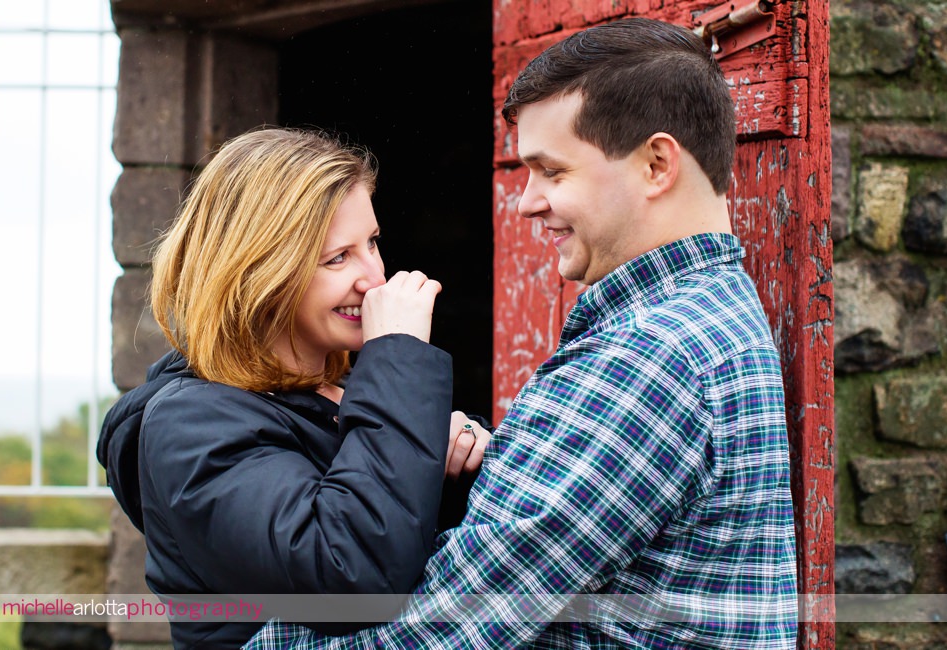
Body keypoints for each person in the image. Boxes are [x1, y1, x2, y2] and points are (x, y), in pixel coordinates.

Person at [245, 16, 798, 650]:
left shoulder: (647, 357)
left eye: (552, 172)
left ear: (655, 164)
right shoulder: (702, 314)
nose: (525, 200)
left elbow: (442, 630)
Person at [95, 127, 490, 650]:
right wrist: (398, 357)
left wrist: (449, 456)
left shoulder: (343, 388)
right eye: (337, 258)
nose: (374, 277)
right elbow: (347, 574)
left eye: (371, 243)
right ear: (259, 271)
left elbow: (413, 543)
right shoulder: (190, 426)